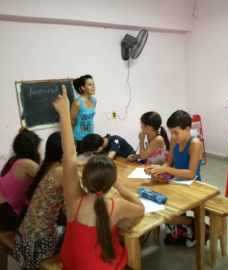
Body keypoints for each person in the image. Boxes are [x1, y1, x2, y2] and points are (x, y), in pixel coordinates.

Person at [53, 86, 144, 270]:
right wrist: (119, 186)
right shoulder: (114, 205)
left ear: (84, 180)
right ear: (111, 182)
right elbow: (140, 209)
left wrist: (64, 114)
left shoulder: (74, 201)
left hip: (72, 264)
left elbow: (69, 155)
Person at [147, 110, 202, 247]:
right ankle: (177, 223)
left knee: (165, 211)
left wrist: (164, 169)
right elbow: (169, 163)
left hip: (193, 185)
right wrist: (157, 171)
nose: (172, 136)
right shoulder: (173, 140)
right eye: (171, 132)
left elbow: (191, 173)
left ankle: (187, 223)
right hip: (177, 181)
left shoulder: (194, 143)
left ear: (187, 129)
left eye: (176, 132)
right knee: (154, 200)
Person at [14, 132, 65, 268]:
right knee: (76, 233)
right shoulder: (60, 172)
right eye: (74, 149)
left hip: (23, 240)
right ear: (64, 153)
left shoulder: (45, 165)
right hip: (38, 244)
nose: (76, 152)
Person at [0, 127, 42, 230]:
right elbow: (49, 179)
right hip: (7, 215)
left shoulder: (13, 160)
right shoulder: (26, 163)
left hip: (3, 210)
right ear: (35, 147)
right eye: (40, 145)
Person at [71, 75, 96, 154]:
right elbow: (71, 121)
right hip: (79, 138)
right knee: (81, 161)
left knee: (90, 160)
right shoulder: (77, 102)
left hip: (91, 136)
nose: (93, 87)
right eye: (89, 85)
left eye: (93, 84)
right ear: (82, 87)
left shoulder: (94, 100)